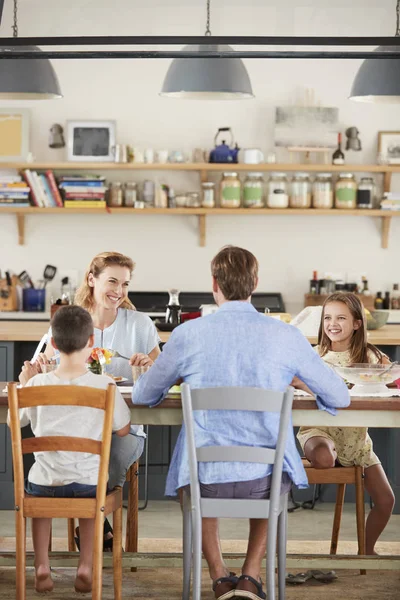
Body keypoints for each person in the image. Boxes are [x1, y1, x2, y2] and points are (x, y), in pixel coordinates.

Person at [131, 246, 350, 600]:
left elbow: (143, 396)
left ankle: (219, 577)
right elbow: (340, 397)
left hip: (206, 483)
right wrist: (298, 380)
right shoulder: (287, 335)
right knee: (275, 474)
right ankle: (250, 577)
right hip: (262, 482)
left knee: (197, 471)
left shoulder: (188, 334)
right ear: (255, 284)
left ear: (214, 285)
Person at [21, 251, 160, 548]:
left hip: (122, 425)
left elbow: (161, 376)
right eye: (112, 281)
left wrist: (147, 370)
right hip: (75, 426)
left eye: (125, 284)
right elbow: (40, 366)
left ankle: (95, 523)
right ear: (91, 280)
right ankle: (98, 523)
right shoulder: (70, 322)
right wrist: (41, 369)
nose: (119, 292)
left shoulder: (140, 324)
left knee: (116, 448)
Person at [14, 306, 131, 594]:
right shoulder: (104, 384)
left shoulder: (37, 384)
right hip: (88, 484)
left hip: (45, 483)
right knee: (92, 498)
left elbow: (14, 422)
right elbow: (124, 429)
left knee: (40, 487)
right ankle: (86, 566)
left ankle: (41, 565)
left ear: (52, 343)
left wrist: (24, 384)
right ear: (92, 342)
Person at [296, 292, 395, 555]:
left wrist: (389, 374)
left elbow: (389, 377)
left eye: (341, 317)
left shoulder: (370, 357)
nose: (333, 323)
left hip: (357, 444)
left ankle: (366, 549)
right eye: (328, 317)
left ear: (357, 323)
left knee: (386, 500)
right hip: (319, 433)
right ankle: (325, 454)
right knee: (325, 458)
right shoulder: (313, 356)